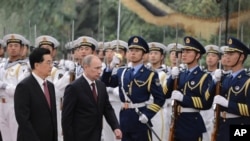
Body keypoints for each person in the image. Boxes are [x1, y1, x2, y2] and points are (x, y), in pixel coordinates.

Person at [101, 35, 166, 141]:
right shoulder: (122, 72)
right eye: (131, 50)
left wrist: (148, 114)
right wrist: (110, 66)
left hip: (140, 117)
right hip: (125, 118)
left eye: (137, 50)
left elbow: (160, 99)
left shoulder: (150, 74)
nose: (133, 53)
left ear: (144, 54)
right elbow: (105, 82)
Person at [62, 54, 122, 141]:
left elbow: (107, 109)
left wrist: (115, 127)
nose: (100, 71)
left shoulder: (101, 86)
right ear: (86, 67)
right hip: (79, 136)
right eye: (96, 68)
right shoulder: (74, 88)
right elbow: (66, 118)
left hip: (96, 135)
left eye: (100, 68)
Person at [166, 36, 213, 141]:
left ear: (197, 55)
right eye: (183, 51)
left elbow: (206, 103)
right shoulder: (180, 74)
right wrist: (171, 78)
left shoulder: (204, 77)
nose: (184, 54)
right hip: (177, 120)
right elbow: (165, 94)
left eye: (188, 52)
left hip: (192, 122)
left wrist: (183, 98)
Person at [211, 37, 250, 141]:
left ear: (241, 57)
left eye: (231, 54)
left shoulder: (247, 81)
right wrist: (214, 81)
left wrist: (228, 104)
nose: (227, 57)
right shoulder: (225, 79)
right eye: (226, 54)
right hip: (222, 126)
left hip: (240, 128)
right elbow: (207, 98)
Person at [14, 47, 57, 141]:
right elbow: (23, 120)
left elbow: (52, 117)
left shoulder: (50, 86)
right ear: (37, 65)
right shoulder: (24, 87)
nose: (51, 66)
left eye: (52, 62)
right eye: (48, 63)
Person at [0, 34, 30, 141]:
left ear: (21, 48)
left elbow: (18, 90)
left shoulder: (23, 67)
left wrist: (3, 85)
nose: (13, 48)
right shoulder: (1, 65)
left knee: (15, 136)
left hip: (13, 105)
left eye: (16, 46)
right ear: (6, 48)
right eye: (10, 45)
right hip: (1, 105)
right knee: (5, 137)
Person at [201, 44, 221, 141]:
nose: (210, 58)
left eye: (213, 56)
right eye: (208, 55)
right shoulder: (201, 75)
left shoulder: (222, 76)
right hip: (201, 109)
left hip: (214, 110)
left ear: (218, 59)